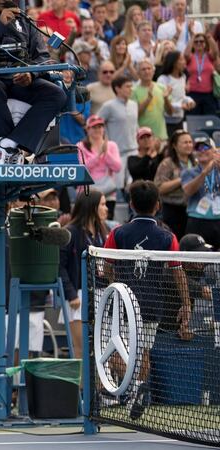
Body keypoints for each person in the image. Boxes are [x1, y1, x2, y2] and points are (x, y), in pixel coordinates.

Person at [103, 179, 190, 420]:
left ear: (130, 204)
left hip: (122, 303)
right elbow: (177, 271)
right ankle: (137, 390)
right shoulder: (167, 237)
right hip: (152, 304)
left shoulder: (117, 233)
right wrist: (187, 304)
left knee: (117, 353)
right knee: (143, 352)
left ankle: (131, 390)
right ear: (158, 205)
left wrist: (115, 286)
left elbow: (106, 266)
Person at [0, 0, 67, 165]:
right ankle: (4, 156)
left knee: (56, 94)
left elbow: (43, 58)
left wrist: (30, 73)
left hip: (17, 78)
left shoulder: (24, 20)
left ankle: (9, 145)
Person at [58, 192, 109, 358]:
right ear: (91, 207)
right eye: (102, 204)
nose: (106, 208)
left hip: (101, 295)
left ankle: (99, 385)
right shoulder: (70, 232)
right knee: (81, 350)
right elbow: (59, 266)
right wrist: (71, 294)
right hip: (78, 298)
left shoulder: (103, 231)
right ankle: (81, 385)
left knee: (102, 350)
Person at [78, 115, 121, 219]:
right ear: (87, 129)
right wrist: (99, 155)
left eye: (100, 126)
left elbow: (117, 167)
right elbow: (83, 169)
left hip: (108, 193)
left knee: (107, 222)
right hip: (88, 192)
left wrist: (106, 153)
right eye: (94, 127)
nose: (98, 129)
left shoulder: (112, 145)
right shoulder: (80, 146)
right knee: (87, 221)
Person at [153, 130, 194, 239]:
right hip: (172, 210)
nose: (189, 145)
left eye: (190, 142)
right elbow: (159, 187)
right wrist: (182, 179)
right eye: (185, 142)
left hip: (192, 209)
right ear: (175, 146)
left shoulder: (196, 163)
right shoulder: (167, 163)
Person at [181, 140, 220, 248]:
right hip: (197, 220)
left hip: (218, 219)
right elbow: (188, 191)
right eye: (198, 148)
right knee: (197, 258)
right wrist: (204, 173)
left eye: (205, 148)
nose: (202, 151)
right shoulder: (189, 172)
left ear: (214, 151)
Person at [97, 76, 138, 165]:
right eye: (127, 86)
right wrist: (104, 142)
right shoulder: (108, 106)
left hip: (134, 151)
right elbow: (97, 124)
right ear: (117, 89)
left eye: (131, 86)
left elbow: (136, 126)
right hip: (117, 152)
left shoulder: (134, 105)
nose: (131, 89)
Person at [157, 51, 195, 137]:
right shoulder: (163, 79)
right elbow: (162, 101)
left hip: (180, 119)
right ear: (173, 62)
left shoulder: (183, 77)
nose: (184, 62)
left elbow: (182, 96)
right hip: (166, 121)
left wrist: (189, 101)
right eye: (181, 59)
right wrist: (180, 106)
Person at [131, 59, 171, 141]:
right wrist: (148, 99)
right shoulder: (133, 91)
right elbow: (135, 114)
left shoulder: (162, 88)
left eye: (149, 69)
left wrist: (166, 98)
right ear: (138, 73)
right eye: (143, 69)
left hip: (161, 136)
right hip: (142, 137)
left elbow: (170, 112)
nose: (147, 71)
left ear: (153, 71)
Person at [184, 33, 219, 116]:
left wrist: (210, 38)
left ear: (205, 43)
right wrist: (192, 38)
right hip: (192, 94)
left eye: (201, 41)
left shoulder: (209, 56)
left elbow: (215, 52)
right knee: (193, 121)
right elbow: (185, 54)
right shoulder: (190, 57)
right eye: (196, 42)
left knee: (210, 121)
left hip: (208, 95)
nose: (199, 43)